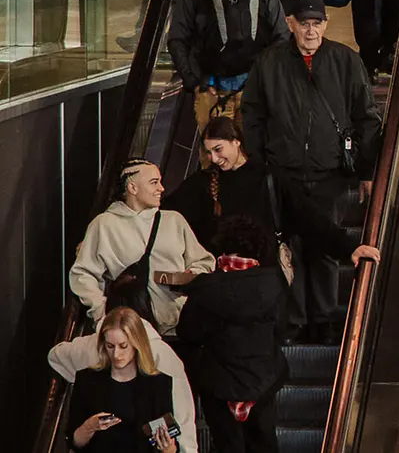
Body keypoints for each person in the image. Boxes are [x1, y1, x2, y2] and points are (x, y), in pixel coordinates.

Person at [240, 0, 382, 345]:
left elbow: (367, 118)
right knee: (289, 247)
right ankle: (296, 320)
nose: (310, 30)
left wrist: (366, 172)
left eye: (317, 23)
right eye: (304, 23)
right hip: (283, 173)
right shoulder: (270, 63)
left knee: (324, 246)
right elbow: (252, 116)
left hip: (328, 173)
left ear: (325, 24)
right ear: (291, 24)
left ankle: (323, 318)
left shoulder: (344, 61)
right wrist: (258, 167)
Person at [162, 116, 379, 316]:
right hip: (227, 281)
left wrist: (349, 247)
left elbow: (310, 218)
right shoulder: (204, 183)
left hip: (263, 283)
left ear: (236, 142)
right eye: (209, 153)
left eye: (218, 149)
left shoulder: (270, 177)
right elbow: (168, 213)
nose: (215, 158)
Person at [173, 216, 286, 453]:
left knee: (228, 445)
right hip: (263, 377)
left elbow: (187, 332)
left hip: (220, 382)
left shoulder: (205, 289)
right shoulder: (273, 285)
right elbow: (282, 329)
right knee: (264, 443)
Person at [166, 0, 286, 130]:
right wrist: (194, 83)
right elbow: (177, 39)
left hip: (253, 90)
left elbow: (281, 35)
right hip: (210, 92)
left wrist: (264, 80)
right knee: (215, 158)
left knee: (255, 157)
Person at [70, 158, 213, 336]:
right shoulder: (104, 225)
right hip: (132, 332)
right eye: (154, 182)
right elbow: (83, 274)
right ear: (132, 188)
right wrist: (102, 312)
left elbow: (204, 261)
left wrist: (190, 275)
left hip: (180, 325)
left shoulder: (173, 220)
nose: (161, 188)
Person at [48, 313, 198, 453]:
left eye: (123, 346)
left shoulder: (159, 383)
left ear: (136, 344)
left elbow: (170, 447)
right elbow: (75, 442)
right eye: (110, 346)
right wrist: (89, 427)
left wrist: (168, 448)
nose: (116, 354)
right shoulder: (87, 380)